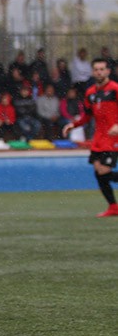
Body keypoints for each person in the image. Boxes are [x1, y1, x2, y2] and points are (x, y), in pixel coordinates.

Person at [63, 58, 118, 217]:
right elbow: (87, 116)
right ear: (93, 72)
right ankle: (113, 207)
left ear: (108, 71)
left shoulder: (115, 89)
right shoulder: (90, 92)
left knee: (103, 171)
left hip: (113, 139)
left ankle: (114, 207)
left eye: (102, 69)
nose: (99, 72)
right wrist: (73, 125)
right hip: (99, 139)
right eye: (96, 69)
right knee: (98, 172)